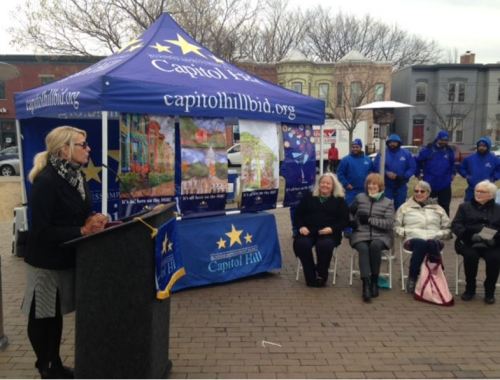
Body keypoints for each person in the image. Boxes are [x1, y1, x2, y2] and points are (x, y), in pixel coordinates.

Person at [22, 126, 108, 378]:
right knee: (43, 316)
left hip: (65, 257)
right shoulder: (46, 181)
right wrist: (82, 230)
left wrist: (93, 218)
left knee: (55, 315)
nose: (89, 149)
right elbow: (41, 231)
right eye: (83, 144)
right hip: (45, 263)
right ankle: (45, 365)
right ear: (64, 150)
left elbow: (77, 215)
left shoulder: (77, 177)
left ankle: (55, 363)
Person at [394, 180, 452, 293]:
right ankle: (414, 278)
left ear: (428, 193)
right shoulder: (404, 207)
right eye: (416, 191)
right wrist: (406, 232)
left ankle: (431, 278)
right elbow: (396, 227)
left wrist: (439, 234)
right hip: (412, 239)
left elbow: (448, 229)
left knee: (430, 243)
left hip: (434, 239)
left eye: (422, 191)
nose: (419, 193)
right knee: (421, 243)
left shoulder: (438, 209)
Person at [293, 172, 349, 287]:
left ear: (333, 186)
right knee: (302, 244)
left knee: (324, 245)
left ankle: (321, 275)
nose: (325, 185)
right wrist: (301, 226)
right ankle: (310, 275)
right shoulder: (309, 197)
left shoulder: (339, 200)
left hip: (328, 233)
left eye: (328, 183)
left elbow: (344, 221)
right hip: (309, 231)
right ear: (319, 184)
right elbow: (298, 215)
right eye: (323, 182)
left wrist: (332, 229)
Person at [451, 180, 500, 304]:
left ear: (491, 194)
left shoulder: (498, 209)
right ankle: (470, 288)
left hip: (492, 243)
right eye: (477, 191)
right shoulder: (464, 207)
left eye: (482, 192)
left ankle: (490, 291)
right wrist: (470, 236)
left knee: (494, 258)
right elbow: (456, 225)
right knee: (470, 256)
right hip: (468, 241)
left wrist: (494, 239)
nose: (478, 193)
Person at [349, 173, 394, 302]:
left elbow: (389, 223)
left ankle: (375, 280)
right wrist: (353, 223)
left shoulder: (388, 202)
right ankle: (366, 284)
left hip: (381, 235)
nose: (371, 186)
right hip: (360, 233)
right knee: (363, 248)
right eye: (369, 183)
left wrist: (369, 220)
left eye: (374, 184)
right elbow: (349, 213)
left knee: (375, 246)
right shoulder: (360, 198)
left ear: (380, 186)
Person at [415, 130, 456, 215]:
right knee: (428, 206)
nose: (444, 142)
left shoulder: (449, 151)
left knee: (445, 207)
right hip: (429, 184)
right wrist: (418, 174)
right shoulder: (428, 150)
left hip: (445, 184)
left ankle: (444, 225)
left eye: (446, 140)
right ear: (438, 139)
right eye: (442, 140)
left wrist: (453, 173)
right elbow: (417, 161)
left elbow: (453, 164)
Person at [373, 134, 416, 210]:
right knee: (384, 206)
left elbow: (412, 167)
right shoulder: (382, 153)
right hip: (386, 185)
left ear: (399, 143)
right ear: (388, 143)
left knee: (400, 207)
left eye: (395, 142)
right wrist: (386, 173)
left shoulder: (406, 154)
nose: (392, 144)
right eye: (390, 142)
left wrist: (404, 176)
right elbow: (376, 166)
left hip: (401, 185)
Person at [458, 136, 500, 201]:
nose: (481, 147)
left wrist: (494, 178)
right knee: (469, 209)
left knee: (487, 209)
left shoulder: (494, 159)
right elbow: (461, 167)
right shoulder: (470, 158)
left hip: (487, 191)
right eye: (480, 145)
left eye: (484, 146)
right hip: (472, 190)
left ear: (488, 146)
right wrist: (466, 175)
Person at [337, 138, 375, 205]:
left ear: (361, 147)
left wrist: (370, 185)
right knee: (350, 210)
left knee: (363, 210)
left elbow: (372, 174)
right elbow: (340, 173)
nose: (355, 149)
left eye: (357, 147)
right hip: (351, 191)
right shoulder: (345, 160)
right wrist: (346, 184)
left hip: (364, 191)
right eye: (353, 147)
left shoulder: (368, 160)